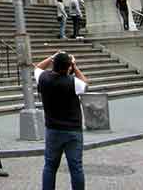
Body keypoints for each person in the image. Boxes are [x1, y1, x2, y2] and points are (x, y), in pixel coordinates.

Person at [35, 52, 89, 190]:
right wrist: (75, 66)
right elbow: (85, 84)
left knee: (50, 166)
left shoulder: (44, 78)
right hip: (72, 130)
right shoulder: (73, 82)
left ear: (54, 64)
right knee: (76, 167)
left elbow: (37, 68)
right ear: (68, 67)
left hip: (52, 128)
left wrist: (52, 57)